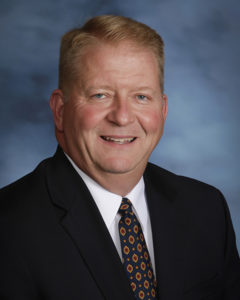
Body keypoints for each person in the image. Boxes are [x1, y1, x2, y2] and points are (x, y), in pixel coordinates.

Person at [0, 15, 239, 300]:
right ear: (60, 111)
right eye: (100, 95)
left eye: (141, 97)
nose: (122, 117)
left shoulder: (206, 209)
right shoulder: (9, 228)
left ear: (162, 110)